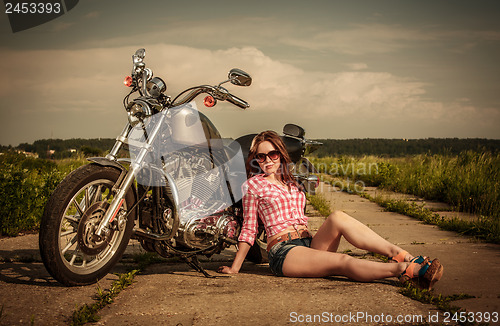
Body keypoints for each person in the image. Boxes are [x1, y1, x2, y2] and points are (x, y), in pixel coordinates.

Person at [218, 130, 443, 289]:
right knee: (343, 262)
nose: (267, 160)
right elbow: (248, 229)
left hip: (309, 243)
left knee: (337, 217)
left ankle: (402, 256)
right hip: (284, 252)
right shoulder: (253, 185)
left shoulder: (292, 183)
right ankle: (405, 270)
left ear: (281, 154)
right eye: (261, 155)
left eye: (272, 154)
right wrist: (235, 268)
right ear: (255, 159)